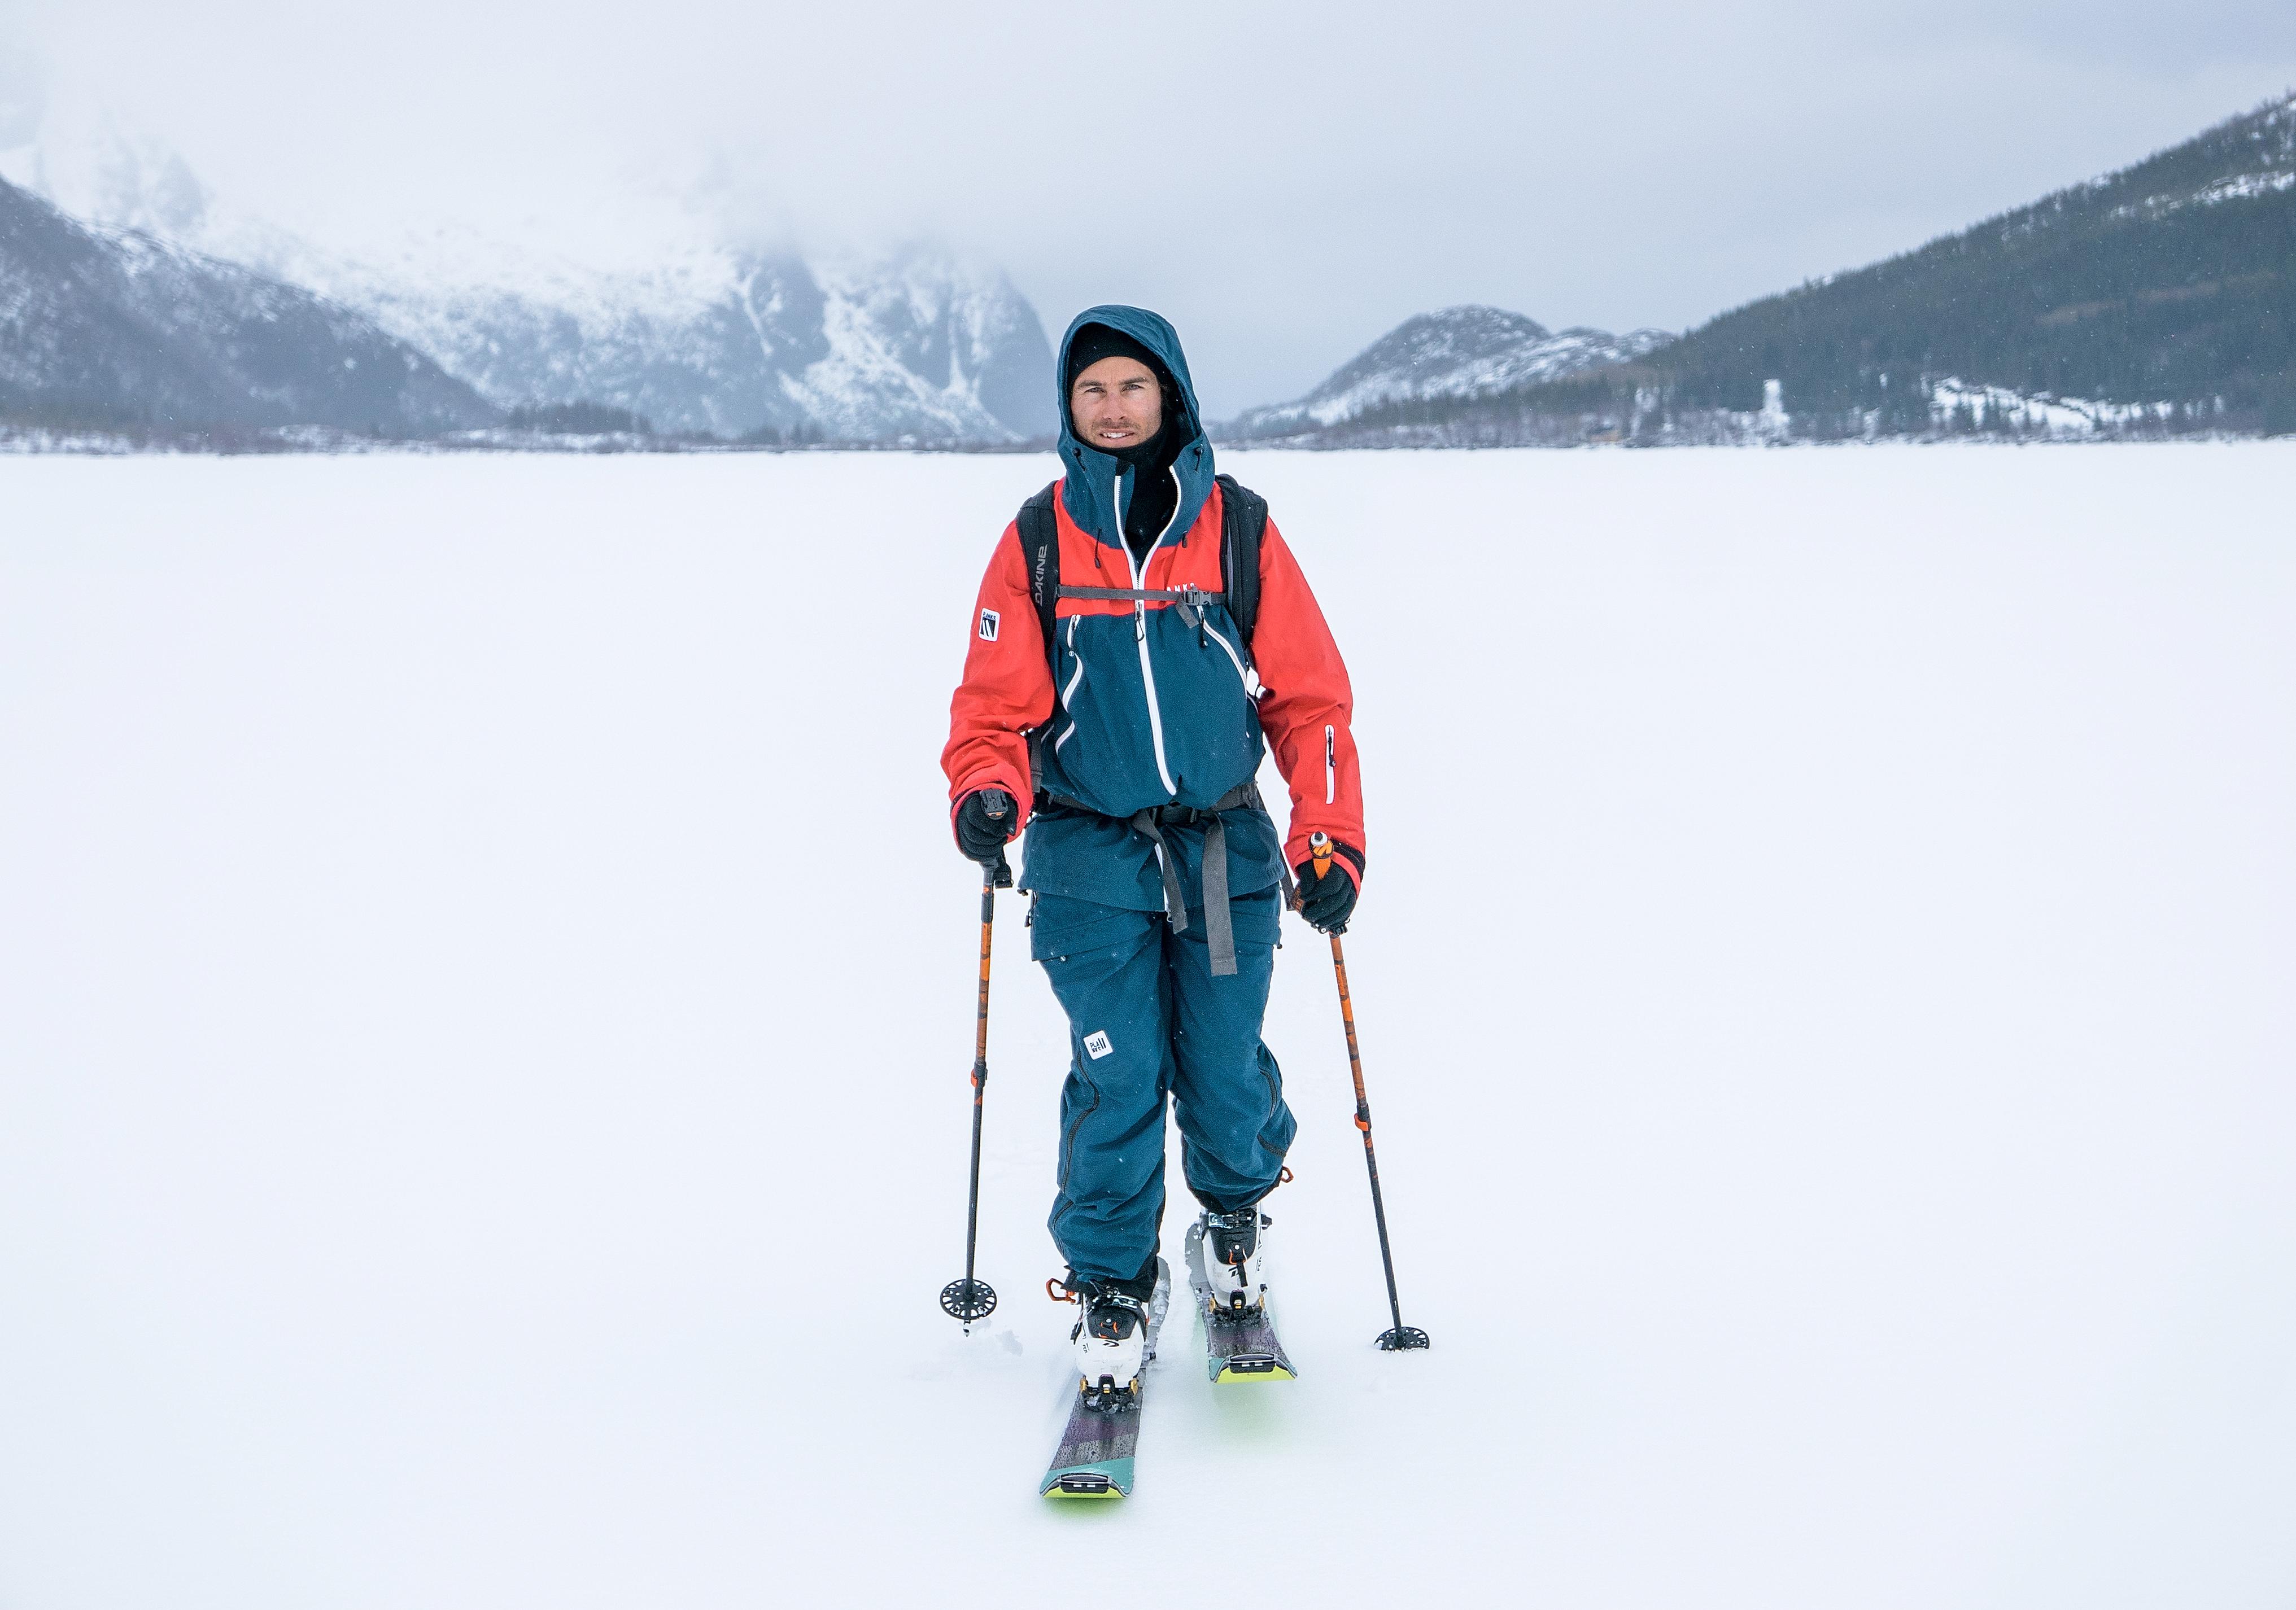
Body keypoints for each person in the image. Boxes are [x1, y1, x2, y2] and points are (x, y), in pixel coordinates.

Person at [941, 305, 1364, 1401]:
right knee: (1117, 1070)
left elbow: (1308, 700)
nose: (1113, 407)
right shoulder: (1038, 538)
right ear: (1069, 408)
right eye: (1092, 391)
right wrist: (987, 791)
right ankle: (1110, 1286)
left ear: (1168, 395)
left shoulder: (1236, 529)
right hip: (1088, 856)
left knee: (1222, 1061)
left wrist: (1328, 838)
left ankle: (1229, 1232)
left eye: (1131, 387)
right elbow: (992, 710)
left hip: (1223, 851)